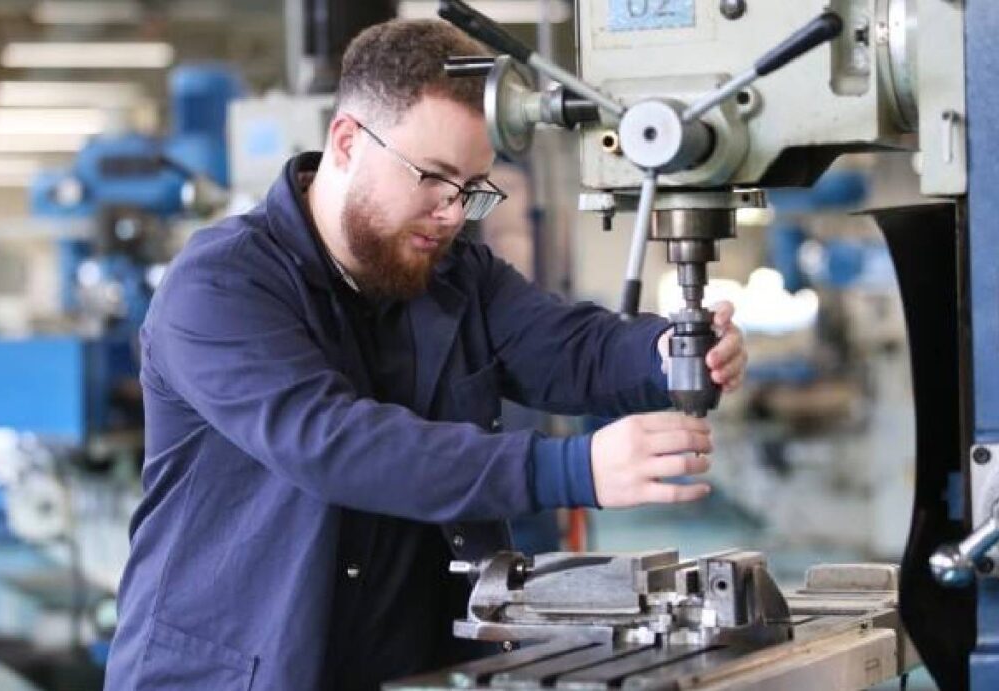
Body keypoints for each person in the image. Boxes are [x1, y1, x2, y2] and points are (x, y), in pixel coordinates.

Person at [103, 18, 747, 691]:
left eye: (471, 188)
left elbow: (569, 348)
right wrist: (569, 467)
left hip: (412, 665)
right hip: (235, 671)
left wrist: (667, 349)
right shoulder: (221, 284)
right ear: (347, 141)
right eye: (433, 178)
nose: (451, 212)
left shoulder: (454, 274)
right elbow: (332, 442)